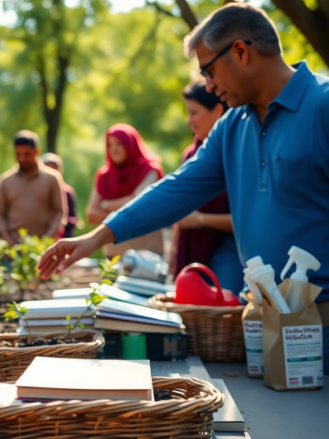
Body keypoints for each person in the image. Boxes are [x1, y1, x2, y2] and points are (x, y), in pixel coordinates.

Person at [36, 3, 329, 375]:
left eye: (208, 70)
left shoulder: (322, 106)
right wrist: (96, 237)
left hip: (322, 326)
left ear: (240, 51)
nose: (208, 85)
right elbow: (177, 188)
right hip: (259, 325)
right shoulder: (231, 127)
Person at [171, 79, 242, 292]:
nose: (188, 120)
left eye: (194, 113)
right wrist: (173, 254)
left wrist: (200, 220)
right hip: (191, 254)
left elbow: (248, 218)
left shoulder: (237, 153)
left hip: (229, 252)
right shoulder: (191, 154)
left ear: (217, 110)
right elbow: (178, 212)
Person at [86, 124, 165, 259]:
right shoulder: (103, 176)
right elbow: (91, 215)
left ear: (131, 145)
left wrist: (105, 205)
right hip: (114, 255)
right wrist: (126, 211)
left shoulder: (151, 170)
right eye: (109, 145)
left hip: (147, 253)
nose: (113, 149)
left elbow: (137, 202)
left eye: (119, 144)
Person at [0, 130, 67, 246]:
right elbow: (0, 214)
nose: (22, 159)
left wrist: (46, 240)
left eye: (26, 154)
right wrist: (7, 238)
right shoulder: (6, 181)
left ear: (36, 152)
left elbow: (60, 213)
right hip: (12, 249)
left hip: (42, 248)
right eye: (18, 154)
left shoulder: (52, 178)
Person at [41, 152, 77, 238]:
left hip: (63, 235)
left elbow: (72, 217)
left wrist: (62, 221)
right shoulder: (39, 191)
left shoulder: (67, 191)